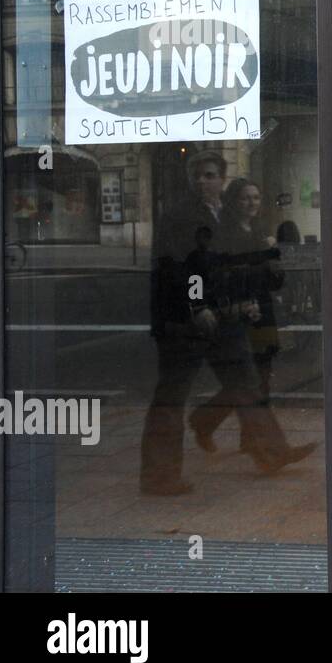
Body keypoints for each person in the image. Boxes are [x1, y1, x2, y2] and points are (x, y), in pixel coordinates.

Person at [187, 178, 314, 474]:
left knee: (255, 380)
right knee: (247, 384)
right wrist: (214, 305)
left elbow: (274, 281)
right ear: (233, 201)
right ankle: (269, 451)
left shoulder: (258, 233)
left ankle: (213, 424)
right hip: (234, 317)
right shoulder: (222, 234)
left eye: (256, 198)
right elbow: (211, 275)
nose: (252, 203)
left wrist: (273, 259)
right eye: (245, 198)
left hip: (260, 315)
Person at [140, 149, 230, 495]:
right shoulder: (182, 215)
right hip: (181, 321)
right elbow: (182, 268)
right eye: (198, 175)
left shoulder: (219, 212)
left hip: (210, 317)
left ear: (222, 180)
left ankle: (266, 448)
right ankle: (159, 475)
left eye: (209, 175)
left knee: (245, 382)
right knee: (170, 397)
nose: (202, 181)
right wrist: (197, 305)